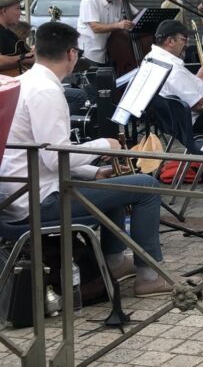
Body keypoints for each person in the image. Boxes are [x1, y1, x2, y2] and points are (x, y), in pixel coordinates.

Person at [0, 22, 173, 297]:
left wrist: (93, 173)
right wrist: (106, 145)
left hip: (22, 194)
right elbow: (55, 157)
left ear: (36, 49)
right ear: (72, 54)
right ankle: (148, 277)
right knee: (146, 187)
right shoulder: (46, 91)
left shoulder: (25, 81)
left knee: (114, 183)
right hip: (36, 202)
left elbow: (45, 154)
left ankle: (114, 262)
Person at [147, 20, 203, 116]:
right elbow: (197, 105)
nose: (187, 45)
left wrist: (197, 80)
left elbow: (176, 88)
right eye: (184, 39)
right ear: (170, 41)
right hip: (200, 119)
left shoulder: (152, 57)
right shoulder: (172, 69)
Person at [77, 0, 136, 67]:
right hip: (90, 52)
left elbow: (136, 13)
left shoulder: (119, 0)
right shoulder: (90, 0)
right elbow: (95, 28)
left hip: (108, 50)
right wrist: (119, 25)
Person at [0, 0, 34, 75]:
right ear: (4, 11)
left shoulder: (7, 32)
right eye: (17, 9)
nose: (20, 13)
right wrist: (25, 58)